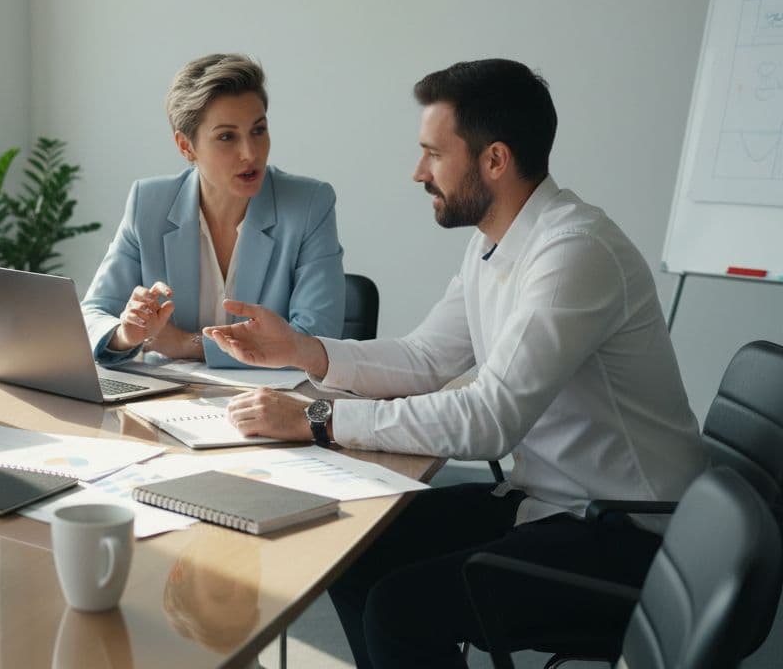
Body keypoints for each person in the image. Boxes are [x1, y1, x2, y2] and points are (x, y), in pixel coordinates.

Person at [204, 59, 708, 667]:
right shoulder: (496, 242)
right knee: (349, 546)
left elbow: (490, 419)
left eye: (433, 154)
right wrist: (303, 350)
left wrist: (317, 418)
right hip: (546, 502)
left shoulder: (574, 253)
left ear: (494, 160)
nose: (418, 172)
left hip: (631, 537)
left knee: (401, 609)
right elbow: (426, 357)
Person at [81, 53, 345, 369]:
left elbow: (315, 338)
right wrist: (127, 334)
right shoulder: (149, 203)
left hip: (271, 403)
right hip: (170, 402)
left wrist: (187, 345)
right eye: (226, 137)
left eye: (258, 130)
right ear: (186, 146)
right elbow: (92, 314)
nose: (250, 153)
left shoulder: (308, 204)